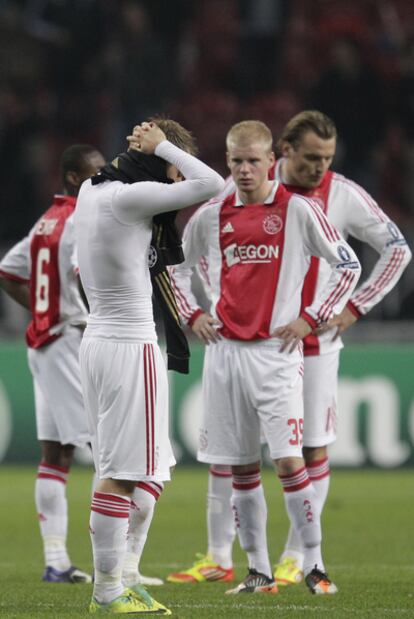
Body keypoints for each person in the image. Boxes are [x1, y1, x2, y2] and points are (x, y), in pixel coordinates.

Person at [167, 111, 412, 590]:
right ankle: (237, 562)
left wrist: (341, 311)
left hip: (295, 347)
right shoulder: (217, 211)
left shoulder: (327, 201)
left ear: (268, 159)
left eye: (328, 158)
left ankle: (304, 560)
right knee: (234, 461)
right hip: (229, 351)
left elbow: (383, 252)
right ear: (286, 153)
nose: (320, 167)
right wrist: (192, 313)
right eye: (312, 157)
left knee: (300, 454)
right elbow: (180, 262)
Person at [75, 119, 224, 614]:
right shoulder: (126, 197)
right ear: (161, 163)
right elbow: (212, 184)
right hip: (127, 345)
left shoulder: (92, 194)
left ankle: (120, 577)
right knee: (123, 474)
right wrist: (165, 147)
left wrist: (161, 152)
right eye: (171, 171)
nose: (175, 187)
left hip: (101, 341)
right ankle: (108, 592)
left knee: (145, 470)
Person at [0, 144, 105, 583]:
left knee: (56, 453)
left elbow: (8, 270)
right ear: (77, 179)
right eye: (99, 173)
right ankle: (118, 567)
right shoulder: (84, 220)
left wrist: (40, 311)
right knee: (106, 450)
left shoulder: (47, 220)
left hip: (43, 341)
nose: (107, 179)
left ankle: (57, 560)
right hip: (67, 339)